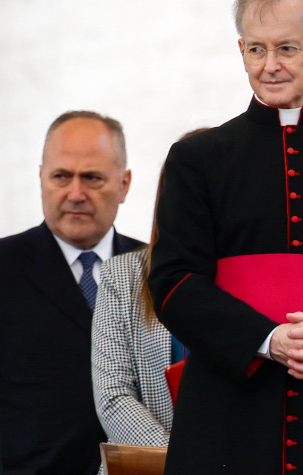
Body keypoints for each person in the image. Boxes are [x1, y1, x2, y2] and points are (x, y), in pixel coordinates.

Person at [148, 0, 303, 474]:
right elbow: (174, 281)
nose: (270, 65)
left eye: (287, 48)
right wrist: (267, 339)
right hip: (229, 402)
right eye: (256, 49)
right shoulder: (198, 159)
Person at [0, 111, 144, 475]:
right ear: (41, 177)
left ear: (124, 183)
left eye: (92, 178)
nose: (76, 193)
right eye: (61, 176)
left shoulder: (154, 271)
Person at [91, 131, 207, 453]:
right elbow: (114, 397)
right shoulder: (122, 275)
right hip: (149, 464)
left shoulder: (258, 276)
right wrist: (183, 462)